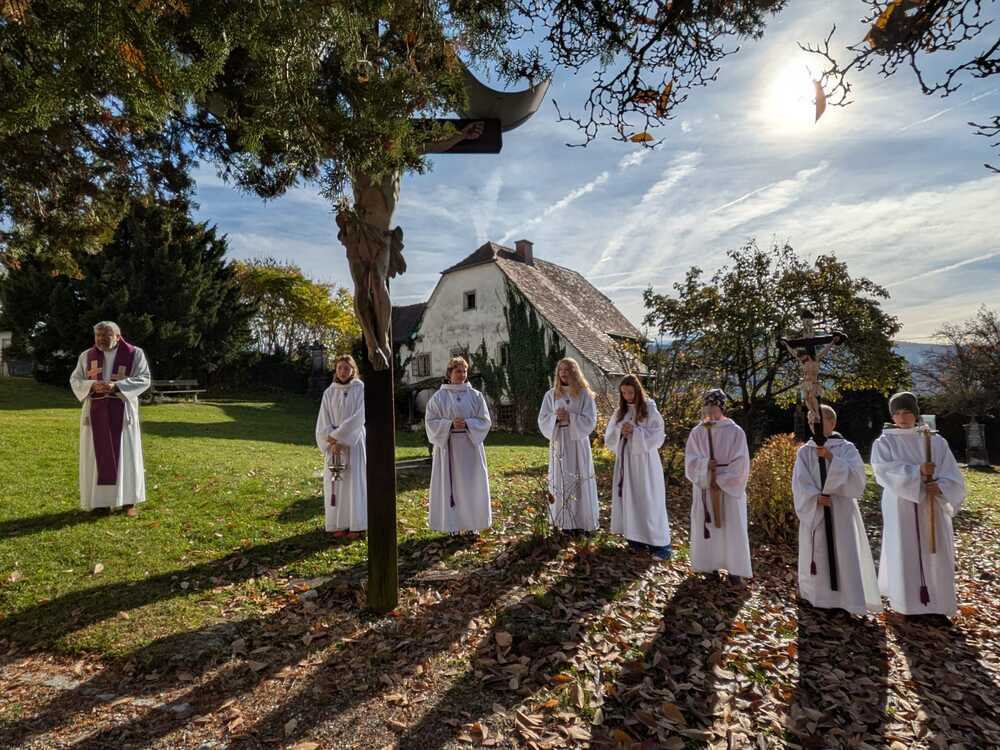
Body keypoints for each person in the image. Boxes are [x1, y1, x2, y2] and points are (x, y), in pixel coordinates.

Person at [872, 392, 966, 619]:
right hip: (900, 504)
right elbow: (883, 471)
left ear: (915, 414)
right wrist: (917, 472)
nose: (902, 417)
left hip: (931, 504)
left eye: (907, 412)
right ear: (892, 417)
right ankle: (907, 605)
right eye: (897, 413)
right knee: (904, 549)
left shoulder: (934, 441)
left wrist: (940, 486)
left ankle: (938, 604)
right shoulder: (885, 442)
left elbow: (952, 474)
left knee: (935, 551)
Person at [792, 405, 881, 614]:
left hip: (840, 508)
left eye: (819, 421)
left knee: (844, 551)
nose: (814, 425)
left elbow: (857, 477)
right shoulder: (805, 451)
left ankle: (846, 600)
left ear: (833, 423)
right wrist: (815, 497)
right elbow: (799, 481)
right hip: (817, 508)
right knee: (819, 551)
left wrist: (831, 458)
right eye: (811, 421)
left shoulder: (846, 448)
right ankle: (819, 597)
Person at [68, 321, 151, 515]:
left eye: (106, 335)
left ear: (118, 336)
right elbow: (75, 379)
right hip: (95, 411)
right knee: (96, 456)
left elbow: (144, 378)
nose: (101, 339)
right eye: (98, 335)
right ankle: (100, 503)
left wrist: (117, 386)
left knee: (126, 455)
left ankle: (129, 502)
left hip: (122, 412)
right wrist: (91, 385)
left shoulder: (135, 354)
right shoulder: (86, 356)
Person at [684, 388, 751, 583]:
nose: (709, 410)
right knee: (709, 527)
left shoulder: (735, 432)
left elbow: (741, 462)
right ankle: (709, 566)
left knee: (732, 526)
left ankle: (734, 569)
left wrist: (720, 480)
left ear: (721, 407)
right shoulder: (698, 432)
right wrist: (705, 466)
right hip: (706, 486)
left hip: (728, 489)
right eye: (707, 406)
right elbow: (690, 461)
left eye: (713, 406)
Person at [603, 374, 671, 559]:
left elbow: (658, 434)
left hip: (646, 462)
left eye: (630, 392)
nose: (627, 396)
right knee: (631, 498)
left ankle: (660, 544)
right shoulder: (621, 411)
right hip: (627, 461)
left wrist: (636, 431)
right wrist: (621, 431)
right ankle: (636, 539)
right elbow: (609, 436)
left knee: (649, 498)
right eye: (624, 393)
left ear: (638, 391)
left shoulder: (649, 408)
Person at [425, 356, 492, 534]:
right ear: (450, 373)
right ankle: (452, 525)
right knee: (452, 487)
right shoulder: (439, 397)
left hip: (470, 447)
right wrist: (449, 425)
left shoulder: (476, 396)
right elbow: (430, 422)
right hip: (449, 449)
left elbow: (485, 421)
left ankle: (472, 525)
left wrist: (468, 423)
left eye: (464, 371)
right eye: (458, 371)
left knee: (471, 485)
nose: (462, 374)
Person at [537, 358, 599, 535]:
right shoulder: (551, 395)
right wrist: (555, 418)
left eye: (567, 370)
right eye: (561, 370)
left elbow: (590, 419)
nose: (564, 373)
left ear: (575, 372)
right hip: (559, 441)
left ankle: (582, 523)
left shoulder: (584, 394)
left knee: (580, 479)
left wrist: (570, 417)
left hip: (577, 442)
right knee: (561, 479)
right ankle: (564, 522)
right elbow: (542, 419)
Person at [315, 355, 367, 538]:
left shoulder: (359, 388)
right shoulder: (329, 392)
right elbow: (323, 420)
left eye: (346, 368)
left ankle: (356, 525)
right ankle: (339, 523)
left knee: (354, 482)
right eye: (340, 368)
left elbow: (359, 416)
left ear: (353, 370)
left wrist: (338, 438)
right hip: (333, 446)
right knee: (336, 484)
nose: (343, 371)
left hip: (354, 441)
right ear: (335, 370)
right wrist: (332, 441)